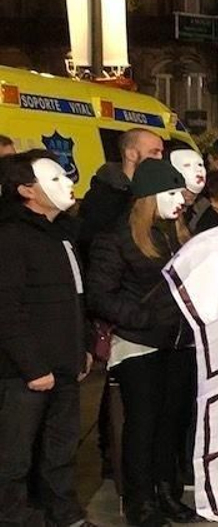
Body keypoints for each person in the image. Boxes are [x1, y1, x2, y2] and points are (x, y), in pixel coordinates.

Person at [86, 159, 200, 527]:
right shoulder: (116, 238)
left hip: (178, 343)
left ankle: (167, 492)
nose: (180, 200)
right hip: (139, 346)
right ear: (149, 196)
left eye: (180, 192)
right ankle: (141, 502)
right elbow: (100, 295)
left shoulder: (177, 233)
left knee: (171, 423)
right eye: (171, 192)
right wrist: (144, 319)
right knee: (143, 424)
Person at [0, 151, 91, 527]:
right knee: (14, 455)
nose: (68, 182)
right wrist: (32, 366)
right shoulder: (11, 236)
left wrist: (82, 348)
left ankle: (63, 513)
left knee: (61, 449)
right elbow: (6, 308)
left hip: (64, 364)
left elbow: (77, 295)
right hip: (25, 374)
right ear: (26, 190)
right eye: (53, 179)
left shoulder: (63, 234)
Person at [79, 127, 165, 248]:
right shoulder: (103, 198)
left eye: (161, 152)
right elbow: (92, 242)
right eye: (154, 152)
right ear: (131, 154)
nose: (160, 158)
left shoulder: (156, 193)